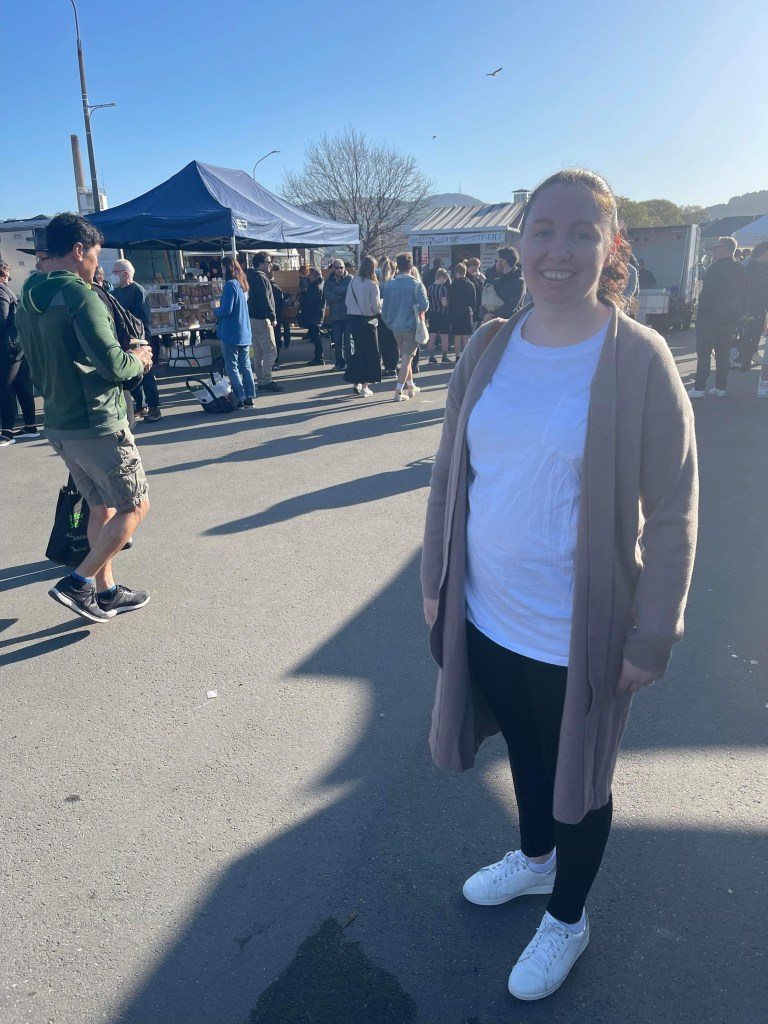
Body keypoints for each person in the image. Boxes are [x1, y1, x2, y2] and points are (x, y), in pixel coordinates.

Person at [421, 169, 698, 1002]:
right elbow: (449, 474)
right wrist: (437, 581)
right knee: (528, 751)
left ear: (611, 248)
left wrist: (653, 636)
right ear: (519, 244)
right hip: (488, 613)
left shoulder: (638, 358)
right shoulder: (488, 346)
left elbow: (676, 510)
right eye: (543, 230)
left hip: (578, 631)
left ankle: (567, 917)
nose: (559, 250)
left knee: (581, 778)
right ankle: (536, 859)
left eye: (582, 233)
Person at [16, 212, 153, 623]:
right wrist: (138, 359)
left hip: (59, 421)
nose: (96, 264)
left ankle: (106, 592)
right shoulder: (80, 295)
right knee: (135, 506)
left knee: (100, 507)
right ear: (79, 250)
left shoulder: (28, 293)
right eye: (95, 254)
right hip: (97, 421)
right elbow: (114, 364)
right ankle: (79, 582)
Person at [689, 236, 747, 397]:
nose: (713, 251)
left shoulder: (715, 268)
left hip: (710, 318)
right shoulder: (741, 269)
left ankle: (699, 387)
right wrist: (739, 315)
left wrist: (699, 316)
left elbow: (706, 295)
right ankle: (721, 387)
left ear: (727, 250)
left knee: (704, 353)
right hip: (730, 319)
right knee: (723, 354)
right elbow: (745, 296)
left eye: (716, 247)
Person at [112, 259, 162, 422]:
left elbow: (143, 318)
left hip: (139, 338)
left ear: (126, 274)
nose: (113, 275)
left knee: (146, 373)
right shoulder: (116, 293)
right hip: (122, 339)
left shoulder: (138, 291)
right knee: (130, 375)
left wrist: (141, 340)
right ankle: (140, 405)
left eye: (116, 272)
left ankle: (154, 407)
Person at [0, 261, 39, 446]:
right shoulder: (8, 291)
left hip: (6, 348)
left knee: (5, 387)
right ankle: (30, 427)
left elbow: (2, 320)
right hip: (17, 347)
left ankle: (7, 432)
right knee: (22, 386)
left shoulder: (1, 292)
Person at [381, 252, 428, 401]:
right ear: (411, 266)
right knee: (406, 360)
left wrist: (389, 323)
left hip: (395, 326)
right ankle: (398, 392)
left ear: (397, 267)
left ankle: (411, 386)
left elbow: (384, 308)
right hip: (411, 326)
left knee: (406, 357)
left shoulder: (389, 285)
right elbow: (424, 305)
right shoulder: (416, 284)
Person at [214, 255, 255, 408]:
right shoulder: (242, 284)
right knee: (245, 365)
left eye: (223, 268)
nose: (222, 271)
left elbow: (226, 310)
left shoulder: (230, 285)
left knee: (232, 366)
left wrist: (215, 310)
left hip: (231, 332)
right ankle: (250, 396)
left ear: (227, 269)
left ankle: (240, 397)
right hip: (244, 331)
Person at [344, 255, 382, 397]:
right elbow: (376, 307)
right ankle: (365, 385)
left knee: (359, 351)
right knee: (371, 353)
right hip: (368, 321)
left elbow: (347, 302)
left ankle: (356, 382)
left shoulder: (352, 282)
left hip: (353, 320)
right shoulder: (372, 284)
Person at [246, 252, 283, 393]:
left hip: (252, 318)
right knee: (270, 351)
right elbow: (264, 299)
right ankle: (266, 380)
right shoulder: (261, 278)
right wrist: (272, 316)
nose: (270, 265)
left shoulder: (251, 276)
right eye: (268, 262)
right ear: (261, 263)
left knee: (259, 351)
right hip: (261, 319)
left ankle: (261, 380)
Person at [735, 240, 768, 370]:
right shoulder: (751, 267)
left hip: (760, 308)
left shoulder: (761, 267)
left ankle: (747, 359)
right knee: (749, 334)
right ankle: (744, 360)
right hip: (750, 308)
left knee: (755, 334)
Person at [323, 260, 352, 368]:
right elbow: (327, 295)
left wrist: (335, 290)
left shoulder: (350, 279)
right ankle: (339, 362)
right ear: (333, 268)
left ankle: (350, 363)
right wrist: (342, 295)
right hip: (335, 316)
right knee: (337, 342)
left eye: (342, 267)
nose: (340, 270)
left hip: (348, 315)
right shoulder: (329, 280)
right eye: (337, 268)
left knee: (348, 342)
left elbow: (350, 292)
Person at [486, 246, 525, 320]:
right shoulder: (496, 281)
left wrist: (493, 316)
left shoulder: (519, 281)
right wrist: (484, 315)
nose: (495, 264)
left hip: (511, 323)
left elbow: (511, 306)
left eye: (496, 261)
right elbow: (486, 299)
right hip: (494, 322)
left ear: (503, 262)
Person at [448, 262, 477, 358]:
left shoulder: (452, 285)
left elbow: (449, 301)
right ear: (465, 272)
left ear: (456, 273)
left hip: (455, 313)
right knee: (466, 336)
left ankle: (457, 356)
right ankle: (465, 357)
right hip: (467, 312)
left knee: (457, 336)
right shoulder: (471, 285)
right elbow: (474, 302)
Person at [376, 257, 399, 377]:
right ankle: (393, 368)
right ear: (394, 271)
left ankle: (387, 367)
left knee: (384, 344)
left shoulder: (379, 284)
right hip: (394, 316)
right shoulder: (395, 284)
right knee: (394, 343)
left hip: (382, 316)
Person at [301, 268, 325, 365]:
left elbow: (310, 300)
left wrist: (302, 299)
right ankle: (318, 357)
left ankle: (319, 357)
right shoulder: (320, 284)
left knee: (316, 337)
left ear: (314, 276)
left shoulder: (315, 287)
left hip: (314, 314)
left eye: (310, 275)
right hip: (317, 313)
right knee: (315, 336)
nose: (308, 276)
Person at [427, 268, 451, 364]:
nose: (445, 281)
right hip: (442, 314)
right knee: (444, 336)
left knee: (432, 336)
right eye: (445, 279)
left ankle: (431, 357)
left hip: (433, 314)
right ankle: (444, 357)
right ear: (441, 277)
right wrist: (449, 303)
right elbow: (444, 303)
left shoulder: (430, 287)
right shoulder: (443, 289)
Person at [269, 262, 290, 357]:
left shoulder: (270, 287)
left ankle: (277, 351)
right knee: (280, 331)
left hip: (272, 314)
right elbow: (281, 302)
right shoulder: (277, 287)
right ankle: (284, 345)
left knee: (274, 335)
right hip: (277, 313)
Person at [466, 257, 486, 328]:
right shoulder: (470, 278)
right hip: (474, 308)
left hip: (474, 308)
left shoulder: (472, 277)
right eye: (478, 267)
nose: (478, 269)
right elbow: (479, 291)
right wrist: (481, 281)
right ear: (474, 267)